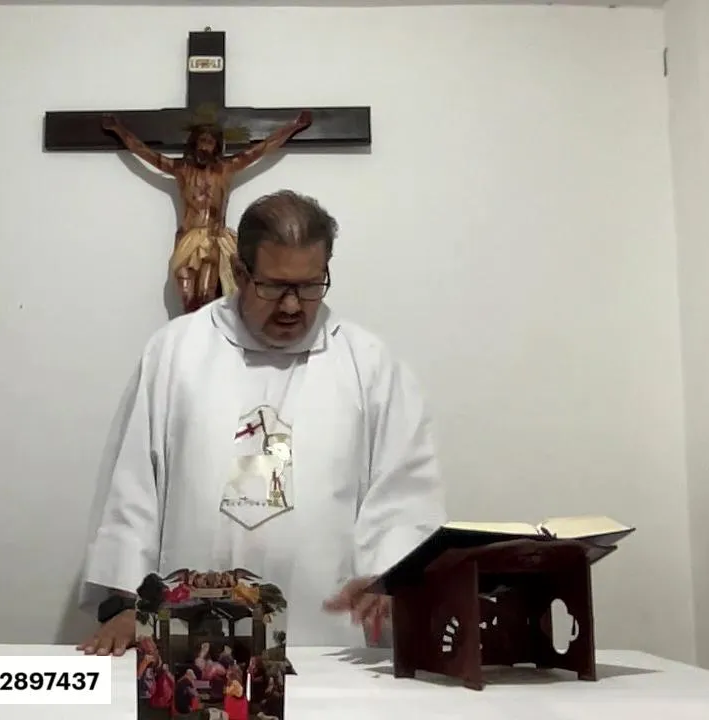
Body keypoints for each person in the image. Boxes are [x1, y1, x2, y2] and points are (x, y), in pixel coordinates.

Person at [77, 190, 446, 654]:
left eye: (310, 286)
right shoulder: (176, 352)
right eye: (274, 286)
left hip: (329, 643)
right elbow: (133, 488)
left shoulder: (369, 365)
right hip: (187, 639)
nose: (292, 306)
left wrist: (391, 581)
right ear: (239, 272)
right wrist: (128, 600)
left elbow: (403, 496)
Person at [101, 111, 312, 314]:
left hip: (213, 238)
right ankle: (188, 332)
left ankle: (207, 333)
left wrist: (293, 126)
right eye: (202, 140)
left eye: (210, 142)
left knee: (205, 297)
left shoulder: (226, 168)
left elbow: (261, 149)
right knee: (186, 297)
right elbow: (144, 152)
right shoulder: (181, 169)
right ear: (194, 143)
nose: (205, 146)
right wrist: (118, 129)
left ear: (217, 146)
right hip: (187, 239)